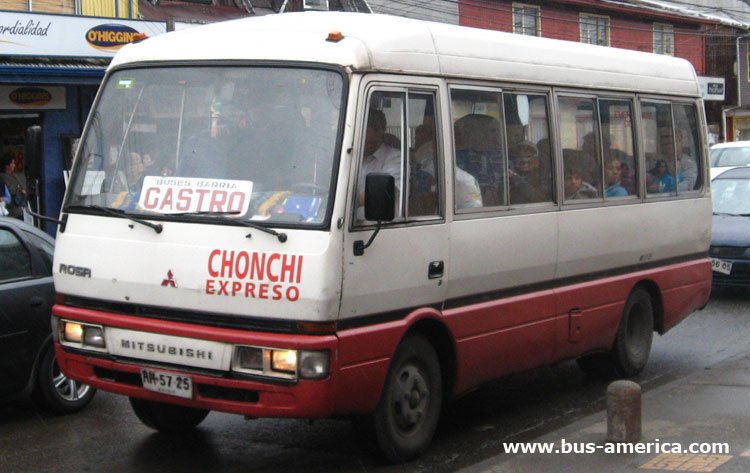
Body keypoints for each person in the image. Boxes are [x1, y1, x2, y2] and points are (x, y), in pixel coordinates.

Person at [413, 122, 482, 211]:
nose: (416, 142)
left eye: (419, 139)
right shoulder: (466, 176)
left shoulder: (426, 155)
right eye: (416, 139)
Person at [357, 108, 401, 220]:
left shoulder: (395, 158)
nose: (357, 136)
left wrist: (347, 201)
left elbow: (382, 194)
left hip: (380, 228)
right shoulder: (352, 157)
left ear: (378, 131)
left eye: (363, 131)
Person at [0, 154, 28, 220]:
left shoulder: (14, 175)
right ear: (7, 166)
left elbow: (8, 198)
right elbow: (9, 193)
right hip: (11, 212)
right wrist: (19, 190)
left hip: (20, 209)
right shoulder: (3, 177)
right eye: (12, 163)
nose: (14, 165)